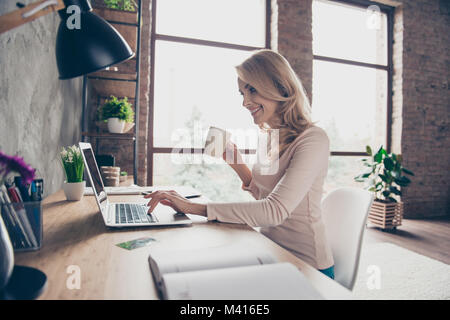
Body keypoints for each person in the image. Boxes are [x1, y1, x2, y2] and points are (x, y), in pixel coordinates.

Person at [144, 49, 335, 279]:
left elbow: (274, 211)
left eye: (252, 90)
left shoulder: (313, 139)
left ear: (280, 87)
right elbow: (264, 195)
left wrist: (191, 207)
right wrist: (235, 161)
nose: (245, 102)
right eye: (242, 93)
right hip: (270, 251)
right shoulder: (270, 137)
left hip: (307, 266)